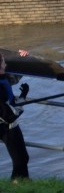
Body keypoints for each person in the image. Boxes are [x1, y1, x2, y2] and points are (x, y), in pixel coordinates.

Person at [0, 50, 31, 179]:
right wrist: (23, 97)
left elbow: (13, 78)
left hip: (6, 124)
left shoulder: (3, 78)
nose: (5, 64)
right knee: (21, 160)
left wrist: (22, 58)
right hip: (7, 127)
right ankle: (18, 187)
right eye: (3, 61)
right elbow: (10, 113)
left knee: (22, 159)